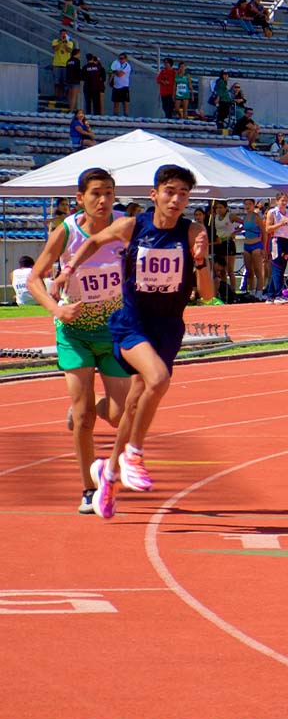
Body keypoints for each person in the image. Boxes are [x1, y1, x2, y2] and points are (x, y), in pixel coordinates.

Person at [54, 164, 213, 519]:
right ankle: (134, 453)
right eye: (169, 191)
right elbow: (94, 240)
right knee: (157, 379)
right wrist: (68, 270)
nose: (176, 200)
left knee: (134, 403)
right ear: (154, 194)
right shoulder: (133, 226)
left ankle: (108, 475)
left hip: (168, 327)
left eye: (183, 194)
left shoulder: (193, 232)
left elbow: (208, 294)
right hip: (131, 323)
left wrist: (200, 263)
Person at [28, 180, 131, 513]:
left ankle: (92, 404)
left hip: (114, 330)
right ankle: (89, 488)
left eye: (108, 194)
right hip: (74, 332)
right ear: (80, 198)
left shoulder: (124, 226)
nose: (102, 200)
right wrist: (57, 309)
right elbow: (34, 278)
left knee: (118, 416)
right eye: (95, 194)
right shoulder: (66, 231)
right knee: (85, 418)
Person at [264, 192, 288, 303]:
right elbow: (268, 229)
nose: (284, 203)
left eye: (286, 200)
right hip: (276, 240)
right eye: (282, 200)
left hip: (286, 240)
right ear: (277, 201)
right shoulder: (272, 213)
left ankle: (271, 295)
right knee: (277, 266)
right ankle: (279, 294)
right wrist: (281, 224)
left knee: (281, 267)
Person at [209, 200, 237, 297]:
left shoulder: (230, 216)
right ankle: (224, 289)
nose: (219, 210)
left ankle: (233, 290)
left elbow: (244, 223)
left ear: (226, 208)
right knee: (221, 270)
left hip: (229, 242)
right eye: (217, 208)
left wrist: (235, 232)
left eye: (221, 207)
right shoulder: (214, 217)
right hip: (220, 243)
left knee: (230, 269)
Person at [239, 198, 264, 299]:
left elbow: (264, 231)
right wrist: (236, 231)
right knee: (249, 271)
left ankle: (259, 292)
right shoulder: (245, 217)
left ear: (254, 205)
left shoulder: (256, 217)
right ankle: (252, 291)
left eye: (250, 204)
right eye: (246, 204)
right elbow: (245, 227)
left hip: (256, 245)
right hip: (247, 245)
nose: (247, 206)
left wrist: (264, 247)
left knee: (258, 270)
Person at [52, 30, 75, 102]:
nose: (63, 35)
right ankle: (56, 96)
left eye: (64, 34)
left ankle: (65, 96)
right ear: (59, 34)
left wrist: (65, 43)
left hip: (66, 65)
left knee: (65, 82)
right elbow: (55, 49)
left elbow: (69, 50)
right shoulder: (55, 41)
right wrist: (60, 42)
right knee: (57, 82)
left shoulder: (70, 42)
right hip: (57, 64)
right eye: (62, 34)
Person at [108, 52, 131, 117]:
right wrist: (109, 81)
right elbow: (111, 72)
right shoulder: (117, 64)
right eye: (119, 58)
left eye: (122, 58)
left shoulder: (127, 66)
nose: (120, 60)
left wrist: (114, 71)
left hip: (124, 86)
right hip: (116, 86)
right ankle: (115, 115)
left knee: (125, 102)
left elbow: (120, 74)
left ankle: (126, 115)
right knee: (116, 102)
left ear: (126, 59)